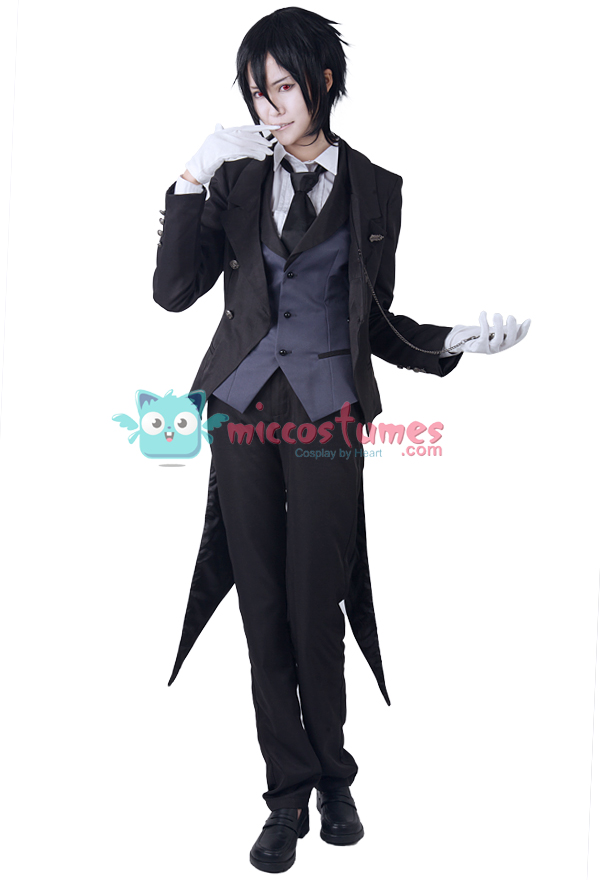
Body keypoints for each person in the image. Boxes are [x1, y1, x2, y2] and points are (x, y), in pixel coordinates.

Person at [152, 7, 530, 873]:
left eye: (283, 86)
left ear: (323, 81)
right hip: (241, 409)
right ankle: (286, 793)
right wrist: (190, 175)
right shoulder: (234, 180)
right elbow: (172, 293)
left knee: (318, 599)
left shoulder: (378, 189)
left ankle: (334, 777)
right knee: (261, 602)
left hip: (327, 413)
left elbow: (375, 322)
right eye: (256, 92)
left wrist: (452, 342)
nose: (268, 107)